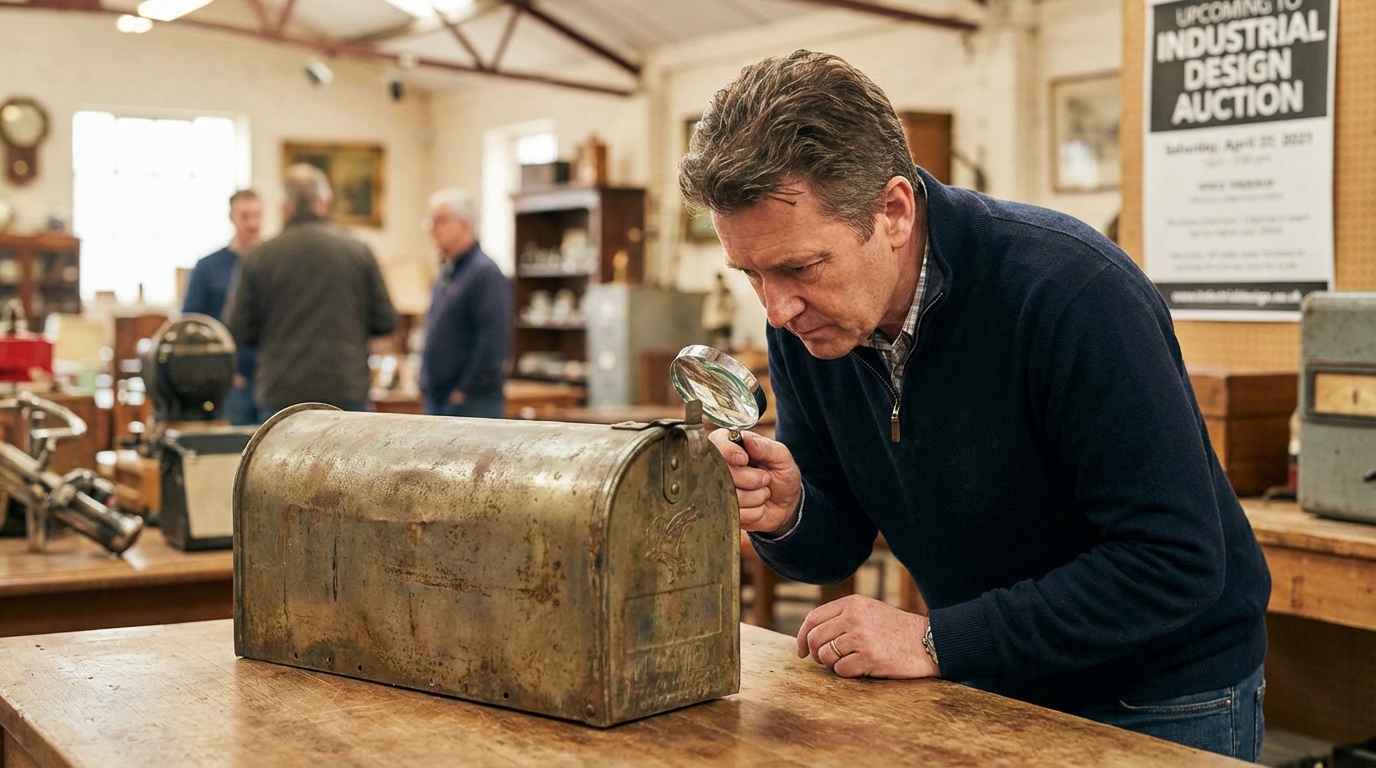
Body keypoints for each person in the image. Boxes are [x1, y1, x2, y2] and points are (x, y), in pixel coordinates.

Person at [678, 50, 1271, 762]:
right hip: (988, 678)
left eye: (802, 267)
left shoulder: (1072, 295)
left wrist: (935, 640)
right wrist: (791, 508)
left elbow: (1171, 562)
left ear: (892, 211)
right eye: (752, 274)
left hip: (1154, 694)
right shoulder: (813, 328)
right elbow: (834, 541)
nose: (776, 309)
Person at [224, 164, 397, 421]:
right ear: (326, 202)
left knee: (278, 463)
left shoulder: (260, 256)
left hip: (282, 394)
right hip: (345, 390)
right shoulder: (358, 251)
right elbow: (386, 321)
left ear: (286, 207)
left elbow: (237, 328)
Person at [419, 189, 513, 418]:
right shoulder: (446, 272)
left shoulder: (485, 273)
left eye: (439, 221)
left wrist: (464, 391)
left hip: (471, 403)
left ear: (463, 225)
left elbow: (493, 339)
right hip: (439, 399)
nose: (432, 229)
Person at [182, 189, 262, 425]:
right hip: (231, 380)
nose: (253, 224)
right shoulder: (208, 267)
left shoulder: (273, 264)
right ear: (232, 217)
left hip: (270, 380)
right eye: (246, 216)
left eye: (257, 216)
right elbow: (191, 325)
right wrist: (219, 372)